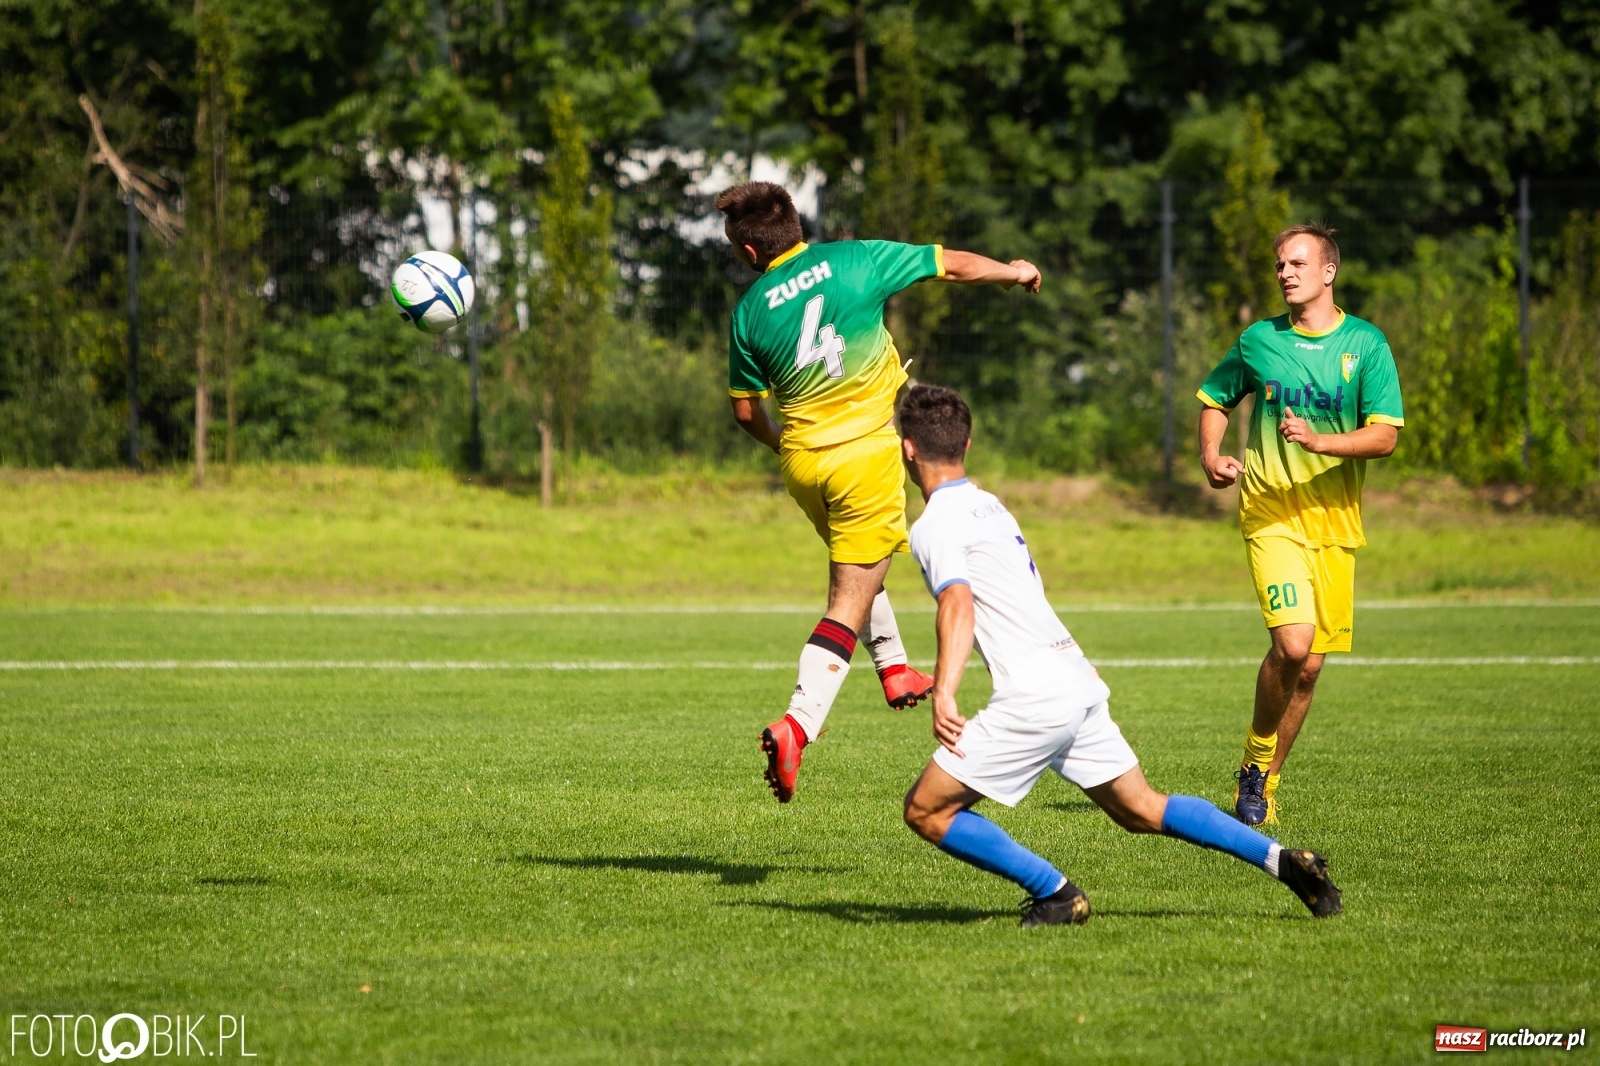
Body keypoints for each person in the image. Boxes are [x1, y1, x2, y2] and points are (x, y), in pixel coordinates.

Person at [897, 384, 1341, 926]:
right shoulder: (990, 507)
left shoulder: (935, 523)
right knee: (1141, 808)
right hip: (1073, 677)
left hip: (1035, 697)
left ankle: (1055, 893)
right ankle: (1280, 859)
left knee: (926, 808)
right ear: (966, 444)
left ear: (907, 449)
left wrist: (943, 690)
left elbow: (958, 603)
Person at [715, 181, 1043, 803]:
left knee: (860, 566)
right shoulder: (855, 258)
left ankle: (893, 666)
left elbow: (744, 413)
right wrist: (1011, 272)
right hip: (864, 454)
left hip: (803, 462)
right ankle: (797, 725)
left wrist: (784, 442)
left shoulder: (750, 311)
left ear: (751, 253)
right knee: (849, 593)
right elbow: (949, 263)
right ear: (795, 224)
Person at [1197, 224, 1405, 826]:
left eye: (1297, 262)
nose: (1286, 272)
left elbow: (1385, 434)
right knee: (1292, 643)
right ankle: (1255, 764)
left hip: (1335, 520)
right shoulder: (1258, 339)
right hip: (1270, 511)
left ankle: (1263, 781)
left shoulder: (1366, 345)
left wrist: (1321, 440)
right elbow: (1214, 398)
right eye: (1280, 264)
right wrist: (1211, 456)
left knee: (1309, 664)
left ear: (1328, 271)